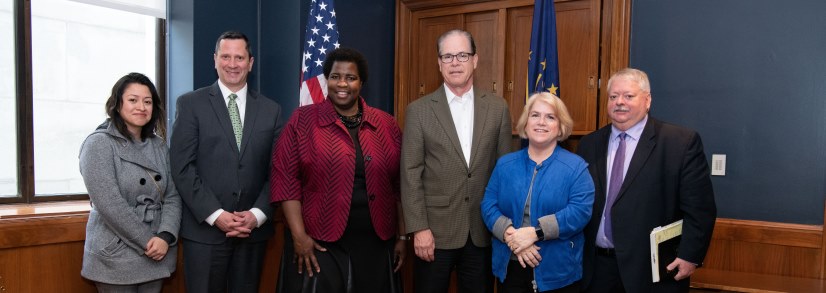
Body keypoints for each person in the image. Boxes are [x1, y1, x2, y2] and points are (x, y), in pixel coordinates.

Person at [270, 47, 406, 292]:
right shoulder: (302, 121)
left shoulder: (386, 124)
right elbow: (286, 180)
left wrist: (403, 236)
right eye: (335, 77)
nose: (342, 83)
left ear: (361, 82)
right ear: (326, 80)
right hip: (320, 242)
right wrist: (299, 237)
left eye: (351, 78)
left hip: (376, 242)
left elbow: (399, 186)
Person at [576, 68, 717, 293]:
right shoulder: (589, 144)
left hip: (652, 271)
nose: (619, 102)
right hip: (597, 269)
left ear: (647, 100)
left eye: (628, 96)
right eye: (613, 96)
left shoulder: (679, 143)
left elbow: (700, 209)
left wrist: (690, 255)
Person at [170, 31, 284, 292]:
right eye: (226, 56)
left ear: (250, 62)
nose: (232, 64)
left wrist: (257, 215)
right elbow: (182, 167)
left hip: (252, 233)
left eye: (239, 57)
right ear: (215, 60)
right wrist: (216, 214)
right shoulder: (190, 104)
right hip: (205, 234)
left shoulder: (271, 110)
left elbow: (278, 170)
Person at [401, 29, 512, 293]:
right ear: (439, 63)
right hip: (434, 234)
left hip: (482, 232)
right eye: (447, 56)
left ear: (475, 60)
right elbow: (410, 173)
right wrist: (419, 228)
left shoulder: (498, 108)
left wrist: (503, 226)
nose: (455, 62)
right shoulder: (418, 111)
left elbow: (504, 171)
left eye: (462, 55)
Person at [481, 92, 594, 293]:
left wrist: (535, 233)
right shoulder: (505, 164)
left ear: (560, 127)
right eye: (535, 115)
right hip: (510, 267)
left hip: (558, 273)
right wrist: (511, 237)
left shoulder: (576, 168)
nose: (541, 122)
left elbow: (580, 212)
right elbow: (488, 205)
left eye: (550, 117)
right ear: (525, 123)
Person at [79, 72, 181, 292]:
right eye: (133, 100)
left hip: (157, 249)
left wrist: (165, 236)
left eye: (147, 101)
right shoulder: (98, 144)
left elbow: (172, 195)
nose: (141, 107)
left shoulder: (159, 145)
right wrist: (147, 241)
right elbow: (110, 205)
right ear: (117, 105)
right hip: (116, 252)